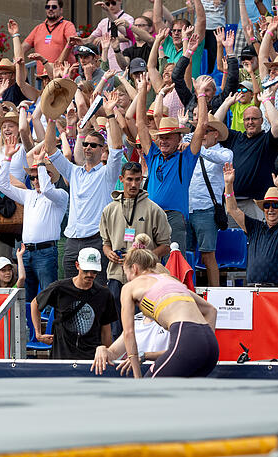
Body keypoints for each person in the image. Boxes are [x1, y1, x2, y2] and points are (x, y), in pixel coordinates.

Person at [46, 101, 123, 280]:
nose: (88, 147)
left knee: (97, 289)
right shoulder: (73, 171)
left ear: (102, 149)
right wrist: (51, 118)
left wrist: (110, 114)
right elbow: (50, 149)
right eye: (86, 144)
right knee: (70, 288)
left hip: (96, 239)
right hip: (72, 240)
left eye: (93, 145)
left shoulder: (107, 173)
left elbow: (117, 148)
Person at [118, 248, 218, 377]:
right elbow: (211, 310)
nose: (128, 279)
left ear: (134, 268)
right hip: (210, 343)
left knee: (146, 391)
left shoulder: (130, 287)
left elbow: (129, 333)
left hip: (187, 336)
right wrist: (202, 340)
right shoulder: (169, 279)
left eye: (126, 273)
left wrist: (137, 377)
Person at [136, 77, 208, 253]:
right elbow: (140, 124)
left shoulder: (186, 158)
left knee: (174, 265)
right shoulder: (153, 155)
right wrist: (142, 92)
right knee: (148, 264)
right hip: (150, 216)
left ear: (179, 138)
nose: (163, 141)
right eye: (161, 137)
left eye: (168, 137)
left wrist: (200, 94)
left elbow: (203, 125)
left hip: (174, 218)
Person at [99, 161, 172, 335]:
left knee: (143, 323)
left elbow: (166, 246)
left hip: (145, 275)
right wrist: (109, 253)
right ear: (121, 179)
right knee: (116, 322)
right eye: (129, 179)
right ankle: (118, 357)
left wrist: (145, 258)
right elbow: (105, 243)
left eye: (137, 180)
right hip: (117, 273)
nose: (133, 184)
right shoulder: (109, 209)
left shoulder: (154, 210)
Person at [0, 145, 68, 301]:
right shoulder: (28, 195)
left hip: (46, 252)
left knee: (48, 299)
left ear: (49, 175)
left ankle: (47, 326)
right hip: (26, 252)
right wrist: (7, 158)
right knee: (26, 300)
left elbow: (48, 190)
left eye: (38, 176)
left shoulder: (60, 195)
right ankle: (29, 326)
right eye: (32, 177)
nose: (35, 180)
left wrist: (41, 165)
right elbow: (1, 185)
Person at [31, 247, 117, 360]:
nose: (90, 274)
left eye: (94, 271)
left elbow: (106, 329)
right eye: (86, 270)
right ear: (77, 265)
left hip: (91, 356)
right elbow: (35, 303)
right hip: (62, 355)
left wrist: (107, 355)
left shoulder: (104, 294)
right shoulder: (59, 288)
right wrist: (38, 334)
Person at [223, 163, 278, 287]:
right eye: (267, 205)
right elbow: (232, 210)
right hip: (253, 288)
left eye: (276, 205)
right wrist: (228, 184)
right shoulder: (255, 227)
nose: (270, 209)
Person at [187, 114, 233, 286]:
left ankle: (217, 295)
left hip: (207, 209)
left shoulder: (225, 152)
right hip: (187, 208)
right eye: (201, 131)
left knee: (208, 255)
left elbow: (219, 159)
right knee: (185, 255)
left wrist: (196, 145)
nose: (203, 134)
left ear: (216, 134)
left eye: (207, 131)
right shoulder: (194, 151)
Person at [22, 0, 78, 77]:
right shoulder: (38, 28)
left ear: (61, 10)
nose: (50, 9)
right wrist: (16, 60)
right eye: (47, 7)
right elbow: (23, 47)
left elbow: (72, 42)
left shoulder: (67, 25)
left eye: (54, 7)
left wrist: (58, 63)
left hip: (63, 75)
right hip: (43, 77)